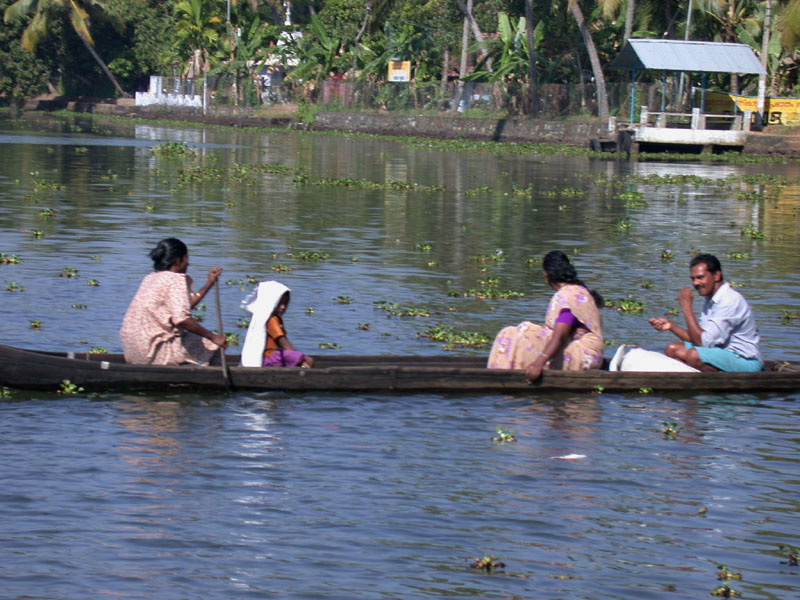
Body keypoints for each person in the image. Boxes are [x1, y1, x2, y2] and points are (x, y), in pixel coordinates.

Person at [487, 250, 604, 382]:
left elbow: (560, 336)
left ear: (546, 275)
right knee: (515, 332)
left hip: (582, 358)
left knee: (512, 335)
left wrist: (538, 363)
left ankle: (502, 379)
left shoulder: (567, 296)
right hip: (591, 356)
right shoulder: (579, 291)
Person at [120, 238, 227, 365]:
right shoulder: (176, 279)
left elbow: (186, 306)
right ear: (178, 260)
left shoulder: (150, 278)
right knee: (214, 344)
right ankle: (213, 382)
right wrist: (212, 337)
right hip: (152, 352)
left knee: (196, 339)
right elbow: (181, 318)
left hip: (133, 352)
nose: (188, 264)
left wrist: (209, 283)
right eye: (186, 259)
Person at [649, 253, 762, 372]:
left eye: (700, 277)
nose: (695, 283)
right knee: (672, 349)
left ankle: (713, 387)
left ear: (716, 276)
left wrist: (687, 308)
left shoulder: (729, 300)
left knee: (694, 355)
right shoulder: (711, 299)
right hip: (723, 353)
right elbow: (699, 338)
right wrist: (671, 326)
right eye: (693, 279)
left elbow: (703, 343)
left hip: (745, 361)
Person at [240, 280, 313, 368]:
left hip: (276, 355)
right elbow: (282, 341)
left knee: (306, 359)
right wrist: (296, 356)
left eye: (285, 303)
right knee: (300, 358)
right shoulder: (271, 320)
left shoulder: (276, 318)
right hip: (271, 357)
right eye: (280, 303)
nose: (283, 307)